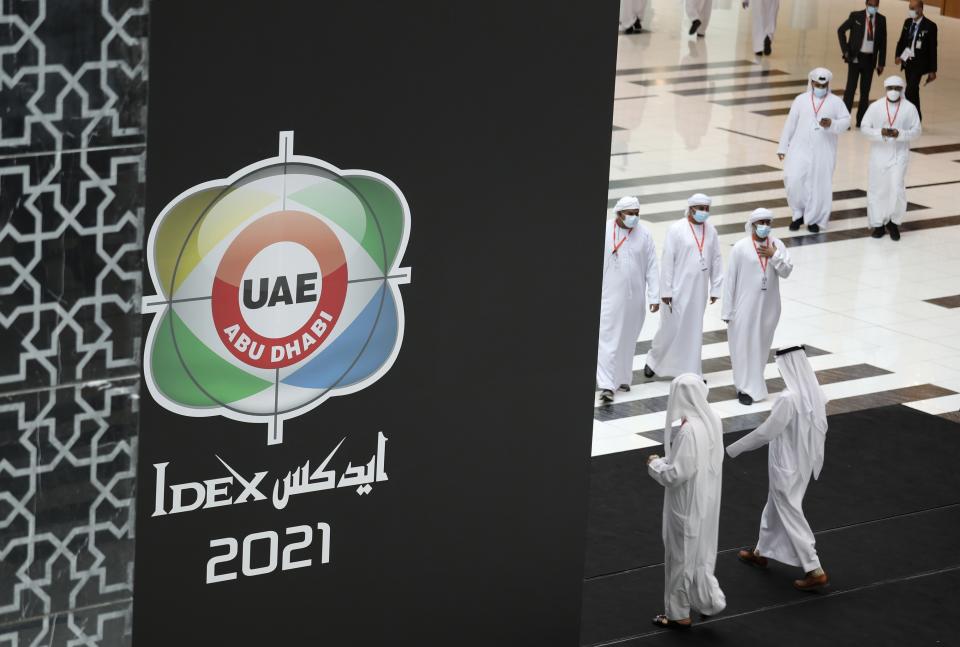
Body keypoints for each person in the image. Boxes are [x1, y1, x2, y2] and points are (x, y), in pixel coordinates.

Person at [726, 345, 830, 592]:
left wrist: (735, 448)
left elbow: (767, 432)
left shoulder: (788, 398)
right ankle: (761, 551)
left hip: (785, 466)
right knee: (775, 507)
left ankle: (814, 568)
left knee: (790, 511)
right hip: (802, 464)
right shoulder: (816, 393)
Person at [647, 374, 726, 628]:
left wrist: (655, 464)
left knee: (679, 558)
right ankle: (707, 600)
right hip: (705, 499)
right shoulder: (711, 419)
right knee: (699, 555)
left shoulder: (689, 431)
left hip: (685, 504)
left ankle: (678, 613)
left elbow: (676, 474)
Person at [643, 194, 722, 380]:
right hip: (677, 290)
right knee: (669, 328)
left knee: (693, 330)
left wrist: (716, 288)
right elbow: (668, 259)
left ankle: (692, 370)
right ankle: (653, 359)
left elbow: (717, 259)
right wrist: (666, 291)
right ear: (691, 209)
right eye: (700, 208)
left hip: (699, 291)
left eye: (706, 209)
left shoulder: (712, 231)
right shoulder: (676, 229)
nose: (704, 212)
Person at [722, 209, 793, 406]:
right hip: (744, 307)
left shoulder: (777, 245)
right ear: (752, 224)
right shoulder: (741, 248)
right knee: (742, 347)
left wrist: (774, 255)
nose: (765, 226)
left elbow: (787, 271)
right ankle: (743, 388)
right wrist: (727, 310)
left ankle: (755, 384)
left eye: (768, 222)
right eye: (761, 222)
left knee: (760, 347)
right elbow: (730, 281)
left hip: (769, 307)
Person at [597, 196, 660, 404]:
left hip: (636, 298)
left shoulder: (644, 234)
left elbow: (652, 265)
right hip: (610, 296)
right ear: (619, 213)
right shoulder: (606, 230)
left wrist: (654, 295)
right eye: (630, 213)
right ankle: (606, 385)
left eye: (637, 213)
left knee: (628, 338)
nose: (634, 217)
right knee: (608, 338)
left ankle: (622, 378)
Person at [777, 68, 851, 233]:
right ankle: (798, 213)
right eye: (817, 84)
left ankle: (814, 219)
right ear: (811, 83)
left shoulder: (835, 102)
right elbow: (790, 124)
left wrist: (831, 123)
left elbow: (846, 121)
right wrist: (783, 146)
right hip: (799, 148)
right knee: (793, 179)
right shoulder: (800, 100)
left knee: (819, 185)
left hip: (823, 151)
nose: (820, 88)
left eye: (823, 85)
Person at [860, 76, 922, 241]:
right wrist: (879, 132)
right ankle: (878, 224)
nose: (893, 91)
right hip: (878, 155)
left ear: (902, 89)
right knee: (877, 189)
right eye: (890, 88)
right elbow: (864, 128)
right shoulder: (876, 106)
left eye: (897, 88)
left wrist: (900, 134)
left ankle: (893, 222)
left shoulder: (910, 108)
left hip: (899, 155)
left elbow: (917, 131)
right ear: (885, 89)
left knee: (897, 188)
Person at [837, 0, 887, 128]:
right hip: (855, 58)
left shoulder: (881, 20)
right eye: (870, 5)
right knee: (850, 90)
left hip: (870, 60)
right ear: (866, 4)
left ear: (878, 6)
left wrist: (881, 63)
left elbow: (883, 43)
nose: (873, 7)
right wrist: (846, 51)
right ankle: (845, 120)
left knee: (865, 92)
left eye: (875, 5)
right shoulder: (856, 16)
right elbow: (841, 30)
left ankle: (861, 121)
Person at [895, 0, 937, 121]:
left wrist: (932, 70)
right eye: (910, 8)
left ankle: (906, 118)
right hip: (907, 62)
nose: (911, 11)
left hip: (919, 64)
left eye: (913, 8)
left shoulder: (930, 26)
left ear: (920, 9)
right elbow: (901, 40)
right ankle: (917, 117)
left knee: (909, 91)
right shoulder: (908, 22)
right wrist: (898, 55)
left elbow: (932, 49)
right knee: (914, 90)